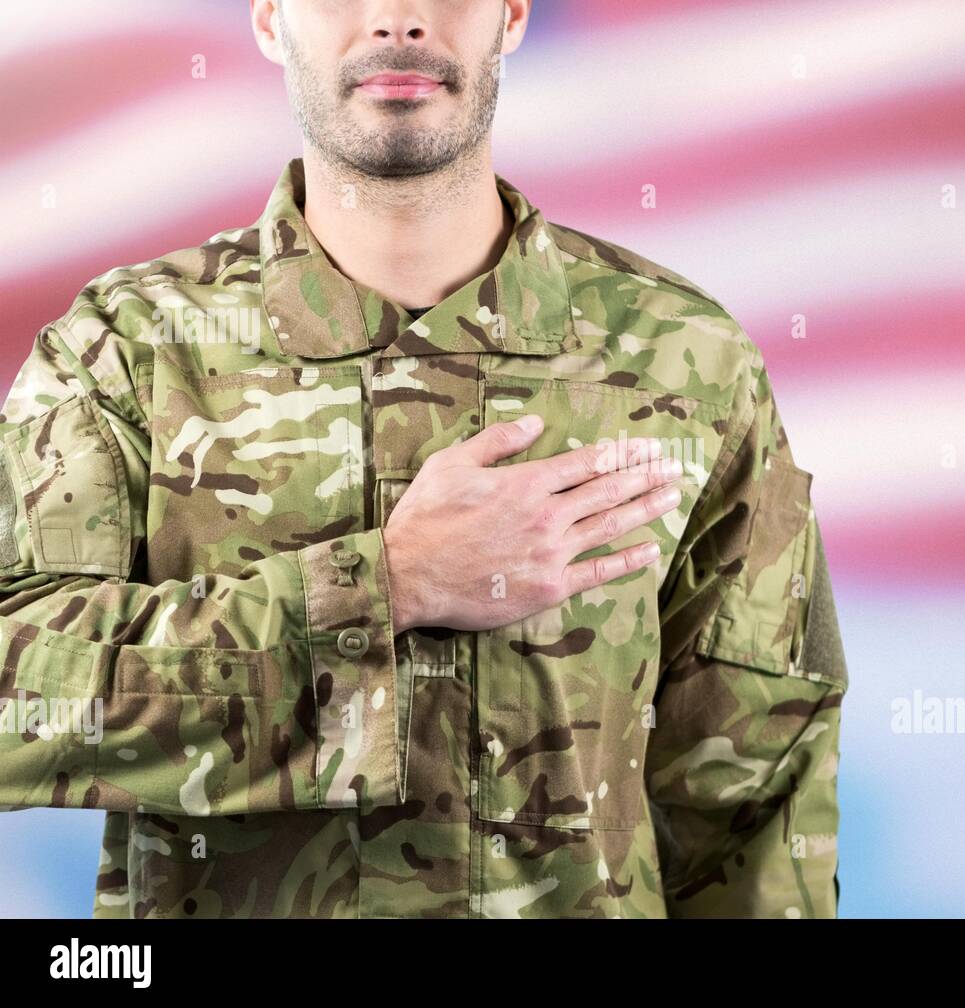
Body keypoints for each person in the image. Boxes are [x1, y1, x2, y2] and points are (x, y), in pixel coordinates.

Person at [0, 0, 848, 918]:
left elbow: (756, 800)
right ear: (269, 19)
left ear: (512, 14)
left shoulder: (689, 358)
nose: (398, 19)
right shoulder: (125, 351)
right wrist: (387, 586)